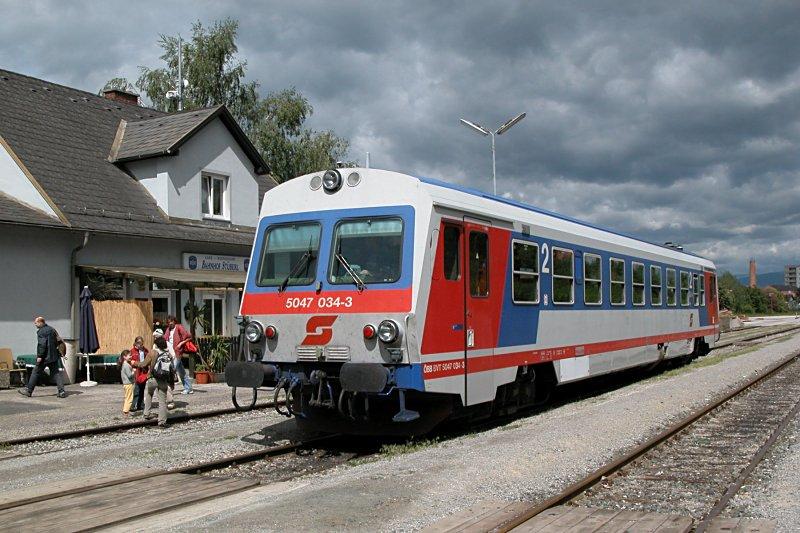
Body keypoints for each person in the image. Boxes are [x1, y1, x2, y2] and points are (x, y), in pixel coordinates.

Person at [18, 316, 66, 398]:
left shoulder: (41, 332)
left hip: (44, 357)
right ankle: (61, 391)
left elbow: (42, 345)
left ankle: (29, 391)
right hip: (53, 356)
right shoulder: (51, 329)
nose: (35, 325)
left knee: (35, 372)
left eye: (36, 323)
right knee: (56, 373)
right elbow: (56, 341)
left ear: (41, 322)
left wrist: (40, 356)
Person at [133, 336, 173, 427]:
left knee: (149, 394)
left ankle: (146, 414)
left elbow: (143, 364)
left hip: (152, 378)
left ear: (156, 344)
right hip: (163, 380)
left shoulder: (152, 352)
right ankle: (162, 421)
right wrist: (171, 383)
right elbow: (171, 369)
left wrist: (134, 363)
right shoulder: (168, 354)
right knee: (162, 401)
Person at [164, 315, 193, 395]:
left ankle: (167, 389)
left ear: (174, 321)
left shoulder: (179, 327)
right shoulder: (168, 329)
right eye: (168, 322)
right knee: (181, 371)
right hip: (170, 352)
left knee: (172, 370)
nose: (170, 323)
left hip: (177, 352)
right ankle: (189, 388)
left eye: (171, 321)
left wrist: (180, 344)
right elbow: (165, 339)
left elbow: (189, 337)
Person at [153, 329, 175, 409]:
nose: (155, 338)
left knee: (168, 386)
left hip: (166, 368)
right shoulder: (154, 345)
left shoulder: (167, 344)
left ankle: (170, 401)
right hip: (157, 368)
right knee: (158, 385)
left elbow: (173, 355)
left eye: (156, 337)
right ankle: (162, 402)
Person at [130, 336, 149, 412]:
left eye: (141, 343)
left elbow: (148, 359)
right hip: (137, 372)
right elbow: (131, 361)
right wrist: (135, 365)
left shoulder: (145, 350)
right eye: (138, 343)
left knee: (142, 389)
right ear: (135, 343)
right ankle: (133, 405)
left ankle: (140, 405)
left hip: (144, 372)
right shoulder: (132, 351)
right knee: (137, 389)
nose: (139, 345)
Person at [120, 350, 134, 417]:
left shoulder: (124, 364)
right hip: (128, 383)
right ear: (124, 357)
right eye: (129, 355)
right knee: (129, 398)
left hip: (126, 384)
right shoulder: (126, 365)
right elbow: (130, 375)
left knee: (127, 397)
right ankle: (126, 411)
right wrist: (134, 371)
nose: (131, 356)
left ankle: (126, 411)